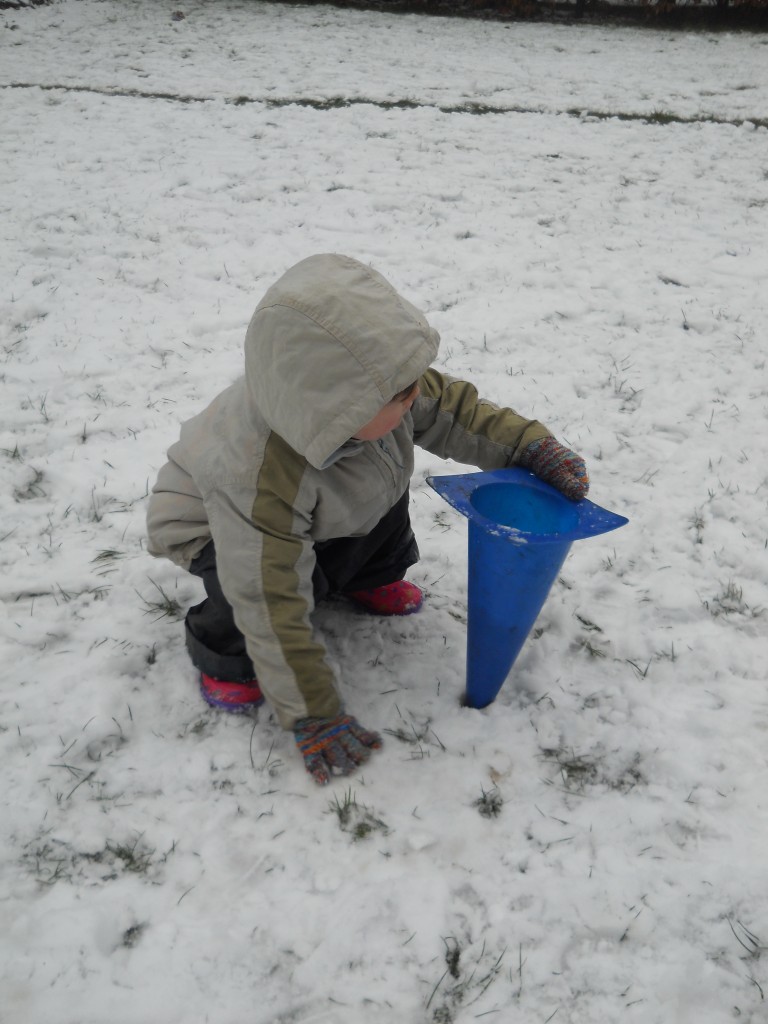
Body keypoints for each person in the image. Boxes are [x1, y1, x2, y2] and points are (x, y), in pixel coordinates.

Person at [146, 254, 588, 785]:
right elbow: (268, 598)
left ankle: (365, 577)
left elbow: (457, 412)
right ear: (340, 408)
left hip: (336, 497)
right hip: (216, 529)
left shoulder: (384, 390)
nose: (417, 396)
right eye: (404, 395)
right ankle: (224, 657)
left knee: (379, 509)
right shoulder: (260, 480)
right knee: (259, 589)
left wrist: (531, 447)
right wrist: (313, 712)